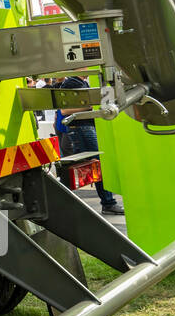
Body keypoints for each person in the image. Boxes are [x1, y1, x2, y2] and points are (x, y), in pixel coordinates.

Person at [53, 76, 123, 215]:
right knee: (96, 164)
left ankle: (61, 199)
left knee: (88, 165)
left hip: (84, 128)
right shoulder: (72, 82)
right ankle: (108, 203)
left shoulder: (80, 82)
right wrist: (92, 106)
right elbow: (65, 111)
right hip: (82, 128)